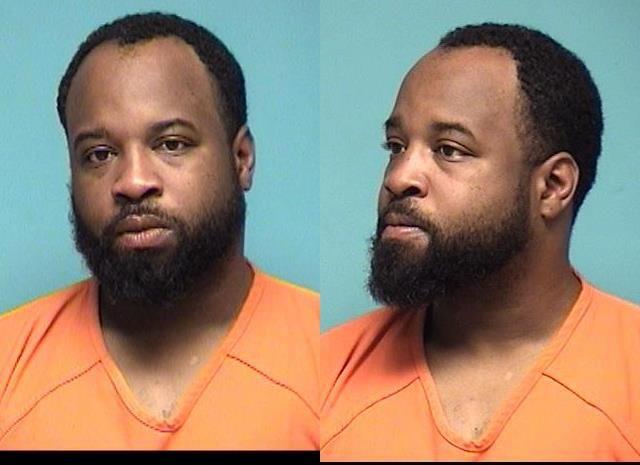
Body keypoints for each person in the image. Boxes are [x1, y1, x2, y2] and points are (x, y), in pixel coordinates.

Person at [321, 23, 640, 461]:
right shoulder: (323, 375)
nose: (399, 178)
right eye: (396, 146)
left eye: (449, 149)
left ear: (552, 186)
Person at [0, 12, 318, 450]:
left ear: (242, 158)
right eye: (99, 154)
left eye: (171, 144)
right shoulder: (9, 364)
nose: (133, 182)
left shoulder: (330, 364)